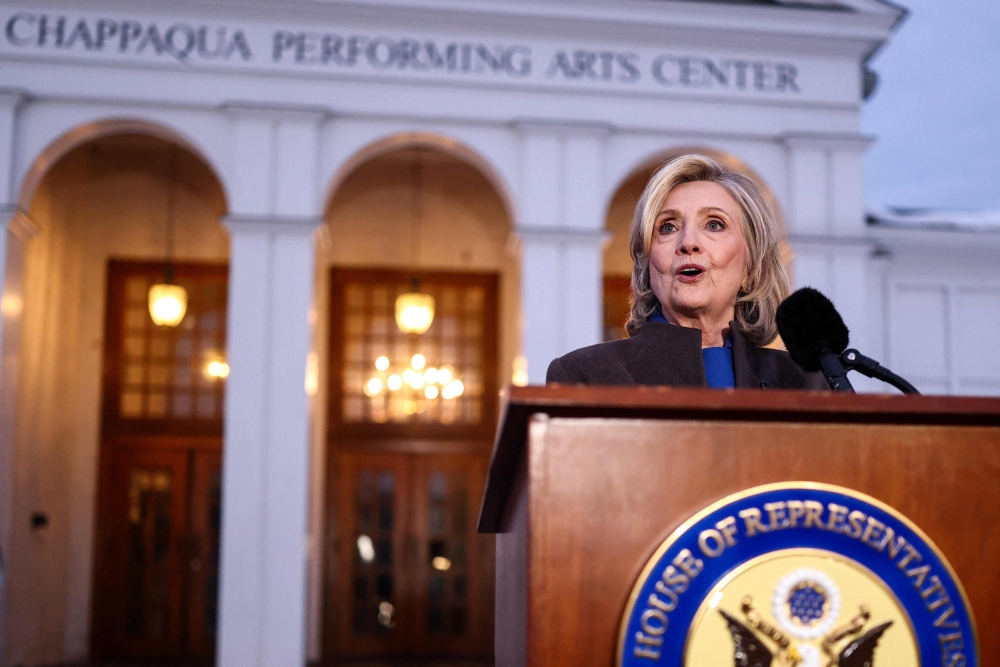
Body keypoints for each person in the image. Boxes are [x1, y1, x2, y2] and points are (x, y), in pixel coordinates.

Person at [546, 154, 826, 390]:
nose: (688, 243)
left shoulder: (805, 384)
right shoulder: (585, 377)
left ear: (752, 265)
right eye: (667, 227)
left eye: (714, 224)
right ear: (648, 266)